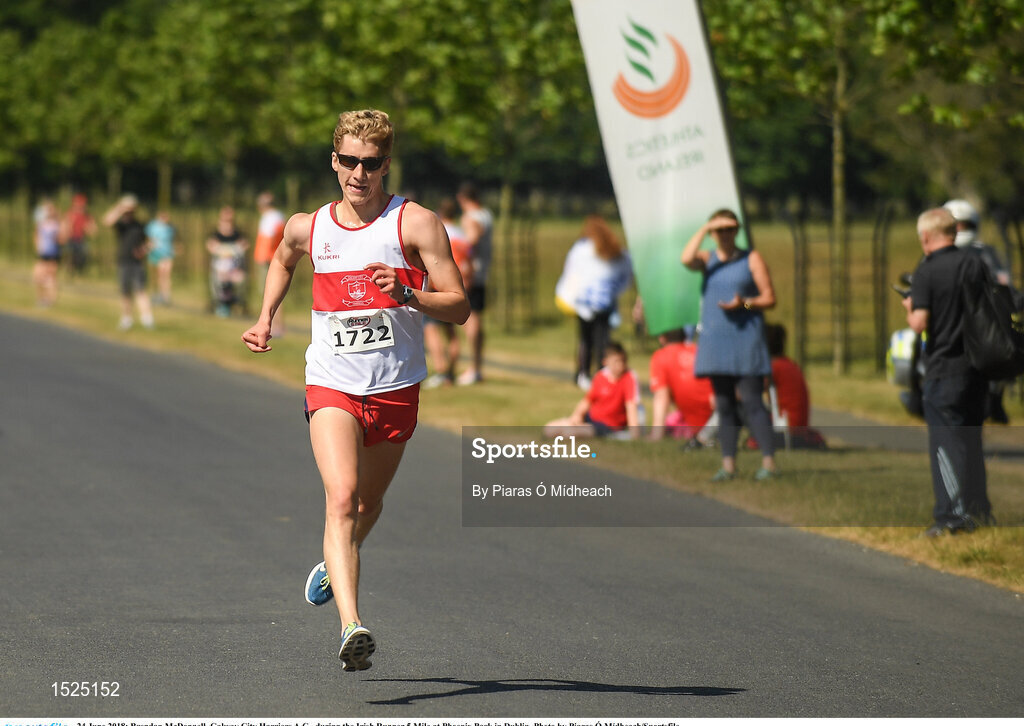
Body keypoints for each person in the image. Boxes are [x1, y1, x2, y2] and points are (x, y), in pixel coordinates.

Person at [241, 109, 469, 671]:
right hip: (331, 384)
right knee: (340, 497)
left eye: (370, 163)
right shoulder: (308, 225)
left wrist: (410, 293)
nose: (358, 174)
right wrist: (266, 315)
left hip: (395, 388)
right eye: (348, 161)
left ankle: (335, 558)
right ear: (334, 161)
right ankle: (352, 626)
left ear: (386, 164)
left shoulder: (415, 225)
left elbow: (460, 307)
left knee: (369, 502)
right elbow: (281, 259)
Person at [903, 207, 991, 536]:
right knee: (971, 441)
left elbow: (920, 323)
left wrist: (910, 307)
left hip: (943, 367)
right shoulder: (974, 263)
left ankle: (951, 517)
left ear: (926, 236)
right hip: (976, 368)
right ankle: (979, 510)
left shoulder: (927, 270)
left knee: (945, 443)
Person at [681, 208, 777, 481]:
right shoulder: (707, 258)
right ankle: (728, 464)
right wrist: (704, 227)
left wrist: (744, 303)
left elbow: (769, 298)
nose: (724, 235)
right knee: (723, 404)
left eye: (729, 229)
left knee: (751, 400)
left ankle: (769, 463)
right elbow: (686, 259)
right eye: (719, 230)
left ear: (737, 230)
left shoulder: (751, 258)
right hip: (716, 340)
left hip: (745, 338)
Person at [943, 198, 1013, 424]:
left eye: (965, 225)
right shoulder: (940, 254)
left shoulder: (985, 252)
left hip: (982, 319)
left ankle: (995, 397)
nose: (961, 230)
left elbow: (1003, 282)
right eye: (957, 225)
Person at [555, 215, 633, 390]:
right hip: (605, 303)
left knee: (585, 340)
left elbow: (571, 273)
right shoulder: (615, 251)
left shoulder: (582, 250)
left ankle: (583, 373)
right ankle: (600, 373)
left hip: (585, 304)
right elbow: (626, 274)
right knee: (602, 341)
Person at [423, 198, 473, 388]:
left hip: (438, 286)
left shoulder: (438, 232)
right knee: (451, 332)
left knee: (431, 330)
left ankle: (442, 371)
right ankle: (451, 371)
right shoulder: (461, 234)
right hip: (458, 286)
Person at [544, 342, 640, 439]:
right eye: (616, 361)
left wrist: (634, 435)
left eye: (622, 361)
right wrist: (577, 415)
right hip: (590, 418)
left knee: (570, 433)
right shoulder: (600, 376)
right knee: (550, 428)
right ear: (606, 362)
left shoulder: (629, 378)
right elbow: (587, 401)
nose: (620, 365)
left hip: (607, 426)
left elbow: (631, 406)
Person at [455, 182, 493, 385]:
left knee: (471, 319)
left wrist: (455, 246)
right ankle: (477, 366)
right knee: (477, 319)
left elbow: (472, 240)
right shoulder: (486, 214)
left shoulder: (471, 217)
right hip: (482, 271)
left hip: (470, 273)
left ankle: (473, 367)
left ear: (462, 199)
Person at [647, 328, 714, 442]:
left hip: (698, 425)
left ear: (662, 338)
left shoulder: (661, 356)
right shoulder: (698, 350)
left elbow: (661, 397)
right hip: (719, 417)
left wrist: (656, 434)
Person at [103, 194, 154, 330]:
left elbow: (150, 242)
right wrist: (120, 208)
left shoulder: (139, 225)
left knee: (140, 290)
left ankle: (147, 319)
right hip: (123, 261)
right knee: (125, 292)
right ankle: (127, 318)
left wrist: (143, 250)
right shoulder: (121, 225)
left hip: (137, 263)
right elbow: (107, 221)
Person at [253, 191, 287, 335]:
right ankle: (276, 325)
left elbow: (268, 239)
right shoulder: (279, 216)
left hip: (268, 258)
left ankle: (273, 325)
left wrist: (264, 257)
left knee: (270, 293)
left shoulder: (268, 218)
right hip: (277, 256)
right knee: (276, 293)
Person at [207, 206, 249, 317]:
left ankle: (236, 304)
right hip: (220, 270)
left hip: (234, 269)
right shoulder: (215, 235)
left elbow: (244, 245)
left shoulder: (237, 235)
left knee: (240, 279)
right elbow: (211, 246)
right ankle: (223, 305)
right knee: (221, 280)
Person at [32, 199, 61, 307]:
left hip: (52, 253)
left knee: (50, 278)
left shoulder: (56, 224)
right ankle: (42, 298)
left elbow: (61, 238)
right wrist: (38, 247)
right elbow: (36, 234)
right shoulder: (42, 223)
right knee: (38, 276)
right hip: (42, 253)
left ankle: (51, 300)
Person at [146, 210, 178, 305]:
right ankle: (158, 294)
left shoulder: (170, 228)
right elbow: (149, 238)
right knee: (158, 275)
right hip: (156, 253)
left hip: (167, 254)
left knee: (166, 274)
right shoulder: (153, 226)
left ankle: (166, 296)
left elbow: (174, 240)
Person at [61, 193, 96, 277]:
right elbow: (65, 227)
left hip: (81, 239)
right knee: (71, 254)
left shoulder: (87, 215)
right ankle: (70, 271)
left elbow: (93, 230)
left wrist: (88, 228)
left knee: (84, 254)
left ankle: (79, 271)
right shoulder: (70, 214)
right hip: (71, 238)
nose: (81, 207)